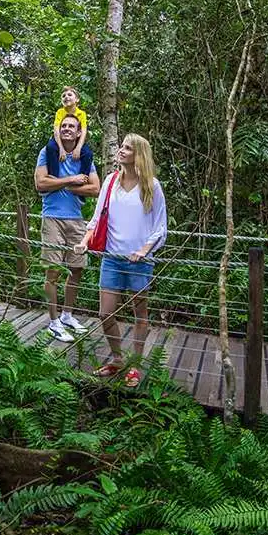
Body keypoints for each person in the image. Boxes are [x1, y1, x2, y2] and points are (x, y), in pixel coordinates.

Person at [77, 133, 168, 388]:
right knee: (105, 313)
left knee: (140, 314)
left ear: (139, 154)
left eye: (127, 148)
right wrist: (84, 242)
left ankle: (135, 365)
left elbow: (160, 227)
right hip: (113, 258)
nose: (121, 150)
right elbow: (97, 218)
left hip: (141, 260)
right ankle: (118, 359)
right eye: (122, 147)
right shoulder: (110, 181)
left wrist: (144, 250)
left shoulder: (152, 185)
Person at [34, 114, 98, 342]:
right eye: (64, 126)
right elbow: (40, 183)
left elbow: (94, 189)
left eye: (72, 126)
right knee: (52, 271)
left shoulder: (85, 157)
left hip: (76, 220)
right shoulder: (47, 152)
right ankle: (53, 322)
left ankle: (67, 315)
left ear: (79, 133)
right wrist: (72, 180)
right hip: (52, 218)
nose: (67, 129)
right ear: (58, 131)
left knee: (76, 269)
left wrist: (60, 183)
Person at [51, 87, 90, 162]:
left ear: (77, 99)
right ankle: (53, 172)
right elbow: (56, 130)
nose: (66, 97)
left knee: (87, 153)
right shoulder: (60, 112)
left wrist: (78, 148)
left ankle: (84, 173)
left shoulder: (81, 113)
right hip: (61, 139)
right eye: (63, 96)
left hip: (75, 140)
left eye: (69, 95)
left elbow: (83, 131)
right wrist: (61, 148)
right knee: (51, 148)